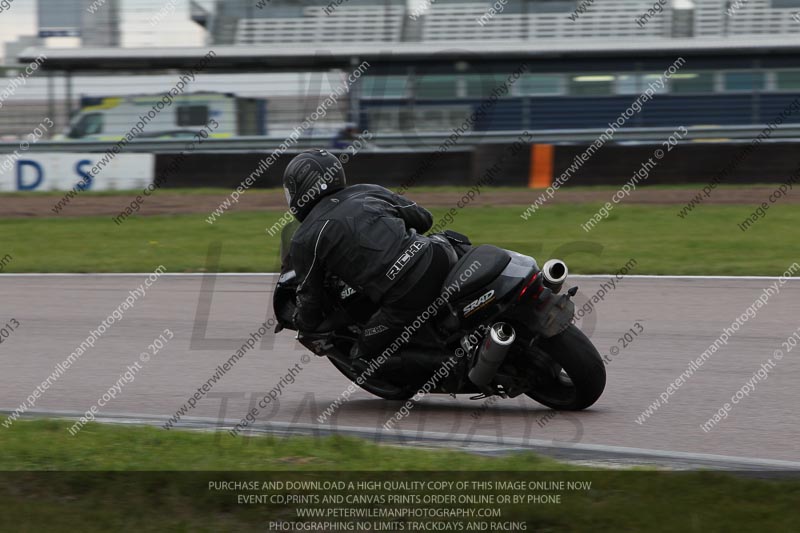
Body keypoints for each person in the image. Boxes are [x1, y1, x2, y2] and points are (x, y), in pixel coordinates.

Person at [283, 149, 453, 369]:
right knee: (450, 239)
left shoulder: (304, 238)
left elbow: (310, 297)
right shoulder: (367, 190)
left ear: (302, 189)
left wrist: (303, 322)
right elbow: (424, 219)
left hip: (407, 293)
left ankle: (451, 366)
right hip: (439, 257)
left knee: (362, 359)